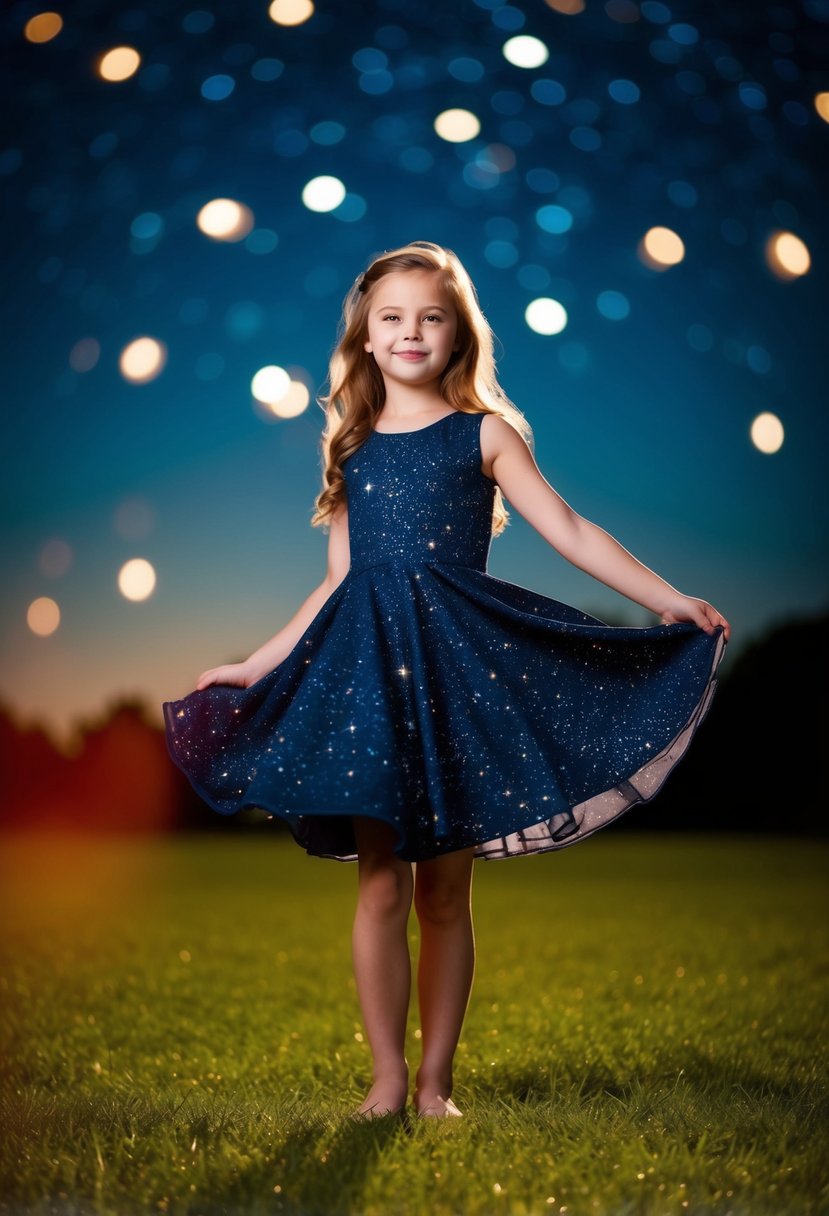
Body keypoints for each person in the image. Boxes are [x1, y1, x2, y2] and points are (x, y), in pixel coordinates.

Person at [163, 240, 729, 1122]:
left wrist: (668, 598)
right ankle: (387, 1081)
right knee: (379, 882)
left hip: (454, 676)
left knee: (444, 892)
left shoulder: (485, 435)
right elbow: (334, 584)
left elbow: (571, 531)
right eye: (392, 317)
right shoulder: (350, 450)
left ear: (458, 333)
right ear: (365, 336)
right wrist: (255, 662)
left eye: (430, 316)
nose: (411, 332)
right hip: (370, 689)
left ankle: (435, 1086)